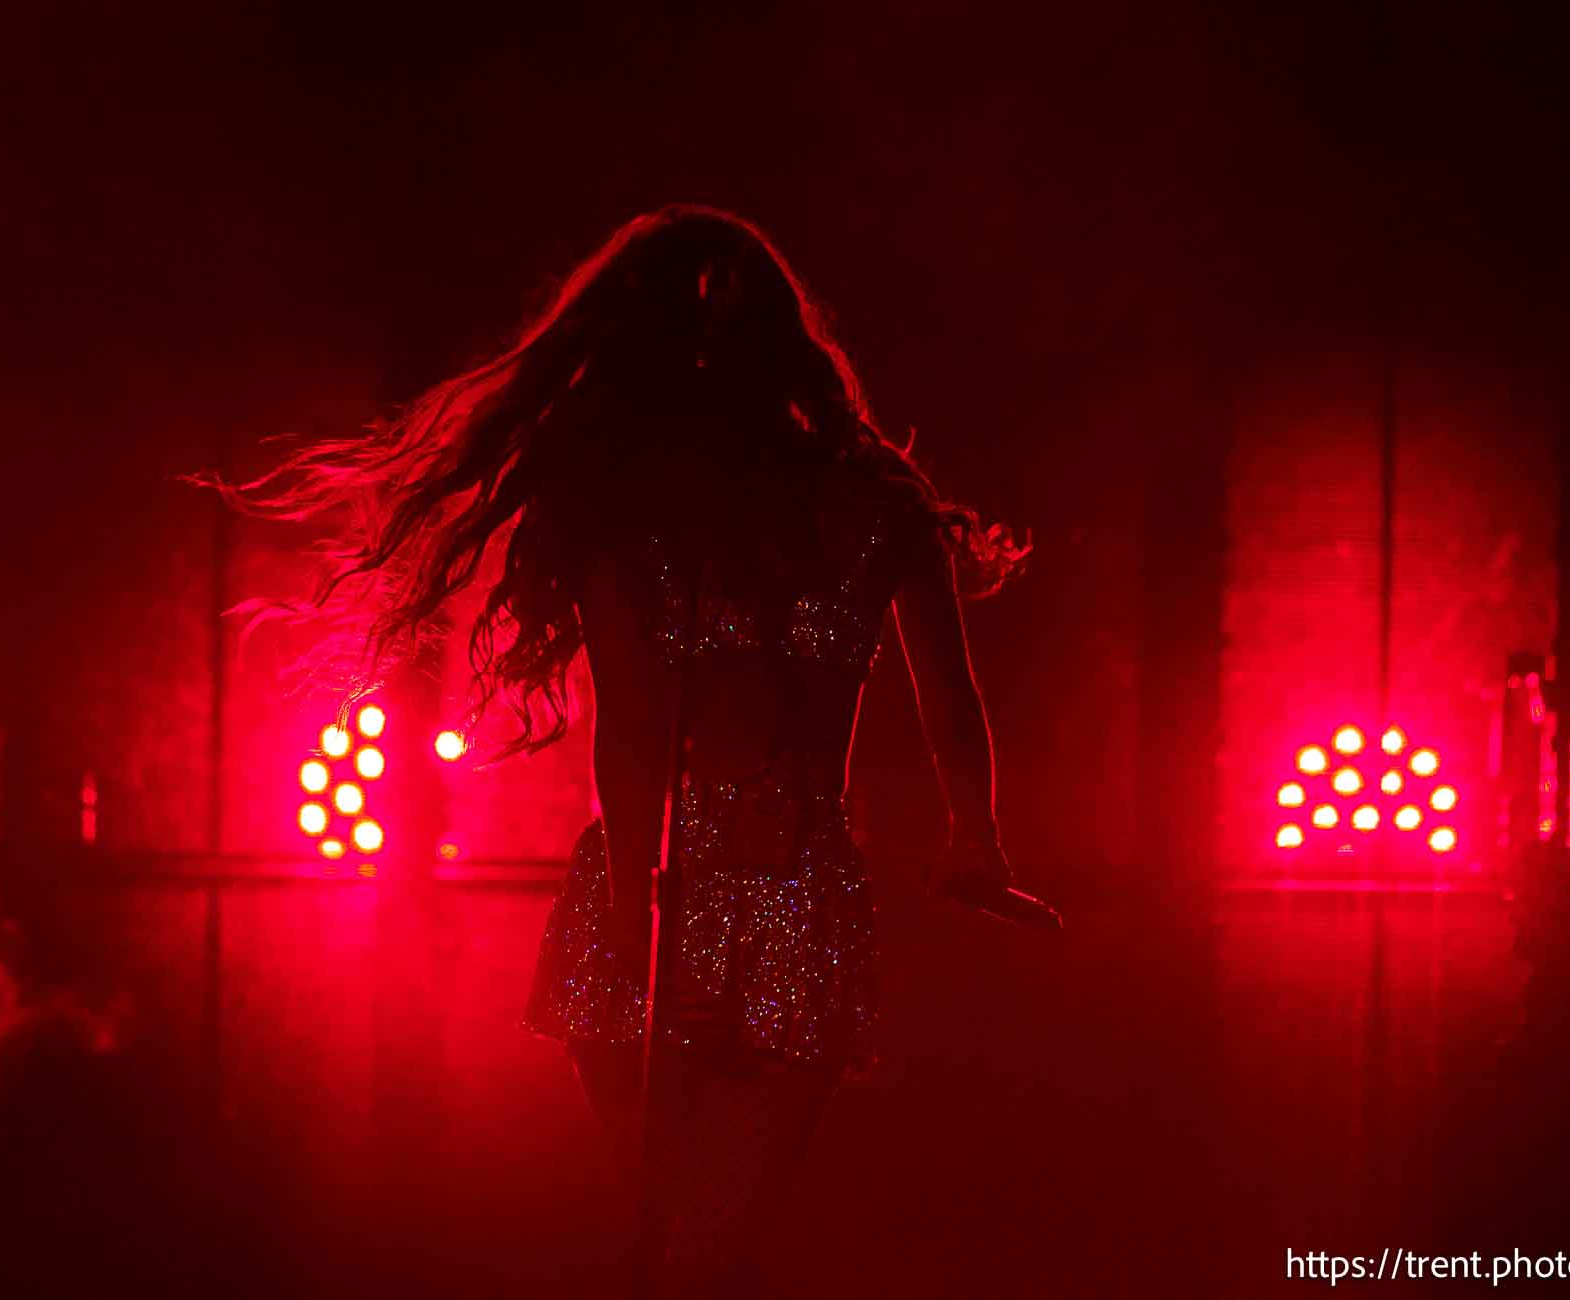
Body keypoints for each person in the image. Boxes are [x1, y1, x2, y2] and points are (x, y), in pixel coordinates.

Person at [212, 205, 1024, 1296]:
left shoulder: (632, 521)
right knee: (703, 1236)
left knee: (686, 1232)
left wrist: (652, 932)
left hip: (671, 889)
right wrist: (975, 839)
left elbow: (636, 731)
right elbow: (948, 698)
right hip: (778, 883)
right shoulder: (861, 509)